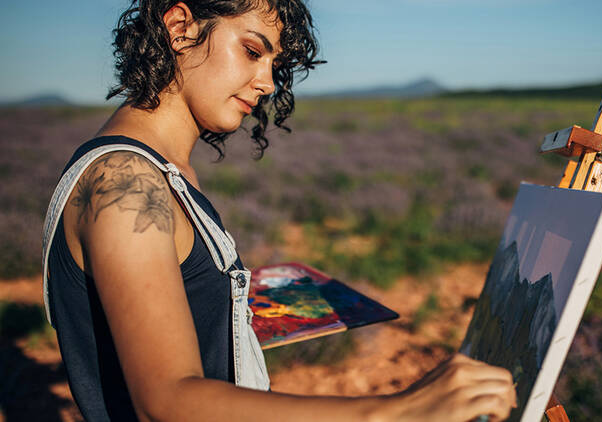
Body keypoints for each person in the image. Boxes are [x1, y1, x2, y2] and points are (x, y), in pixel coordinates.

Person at [43, 1, 517, 420]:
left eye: (275, 63)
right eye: (253, 50)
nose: (267, 82)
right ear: (180, 27)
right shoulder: (125, 180)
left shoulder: (162, 171)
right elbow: (167, 402)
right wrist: (395, 412)